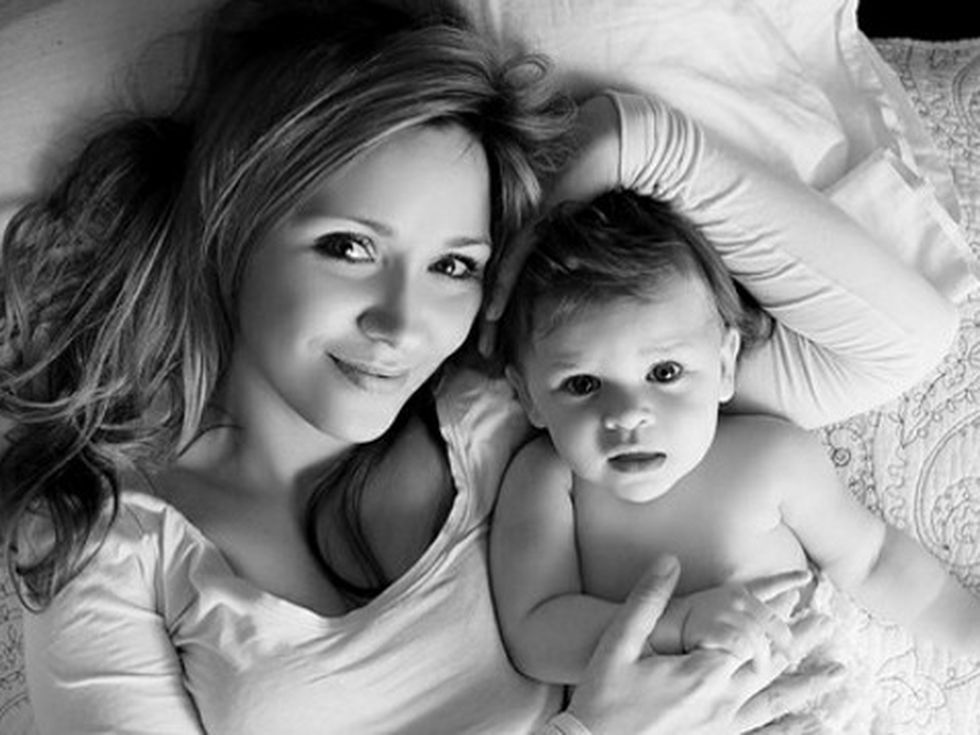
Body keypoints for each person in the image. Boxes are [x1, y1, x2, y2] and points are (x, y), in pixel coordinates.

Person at [0, 0, 957, 733]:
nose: (401, 322)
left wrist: (633, 143)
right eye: (348, 247)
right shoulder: (100, 534)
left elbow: (895, 342)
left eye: (453, 265)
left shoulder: (525, 405)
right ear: (232, 226)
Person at [491, 183, 980, 726]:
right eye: (582, 384)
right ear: (529, 395)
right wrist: (676, 624)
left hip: (798, 708)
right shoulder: (548, 479)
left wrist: (969, 629)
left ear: (725, 365)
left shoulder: (770, 458)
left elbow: (872, 559)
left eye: (664, 372)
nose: (627, 415)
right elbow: (535, 633)